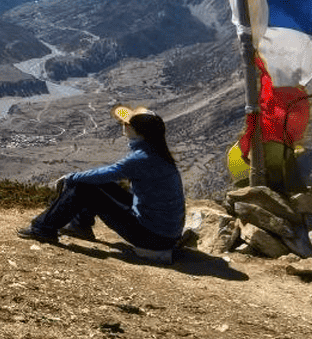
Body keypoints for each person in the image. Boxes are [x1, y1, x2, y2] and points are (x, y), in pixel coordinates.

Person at [18, 105, 186, 263]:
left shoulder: (142, 158)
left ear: (136, 130)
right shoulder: (159, 152)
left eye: (127, 123)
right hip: (165, 235)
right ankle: (79, 226)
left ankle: (43, 229)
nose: (123, 125)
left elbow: (110, 172)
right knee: (96, 184)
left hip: (151, 238)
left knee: (83, 187)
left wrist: (71, 177)